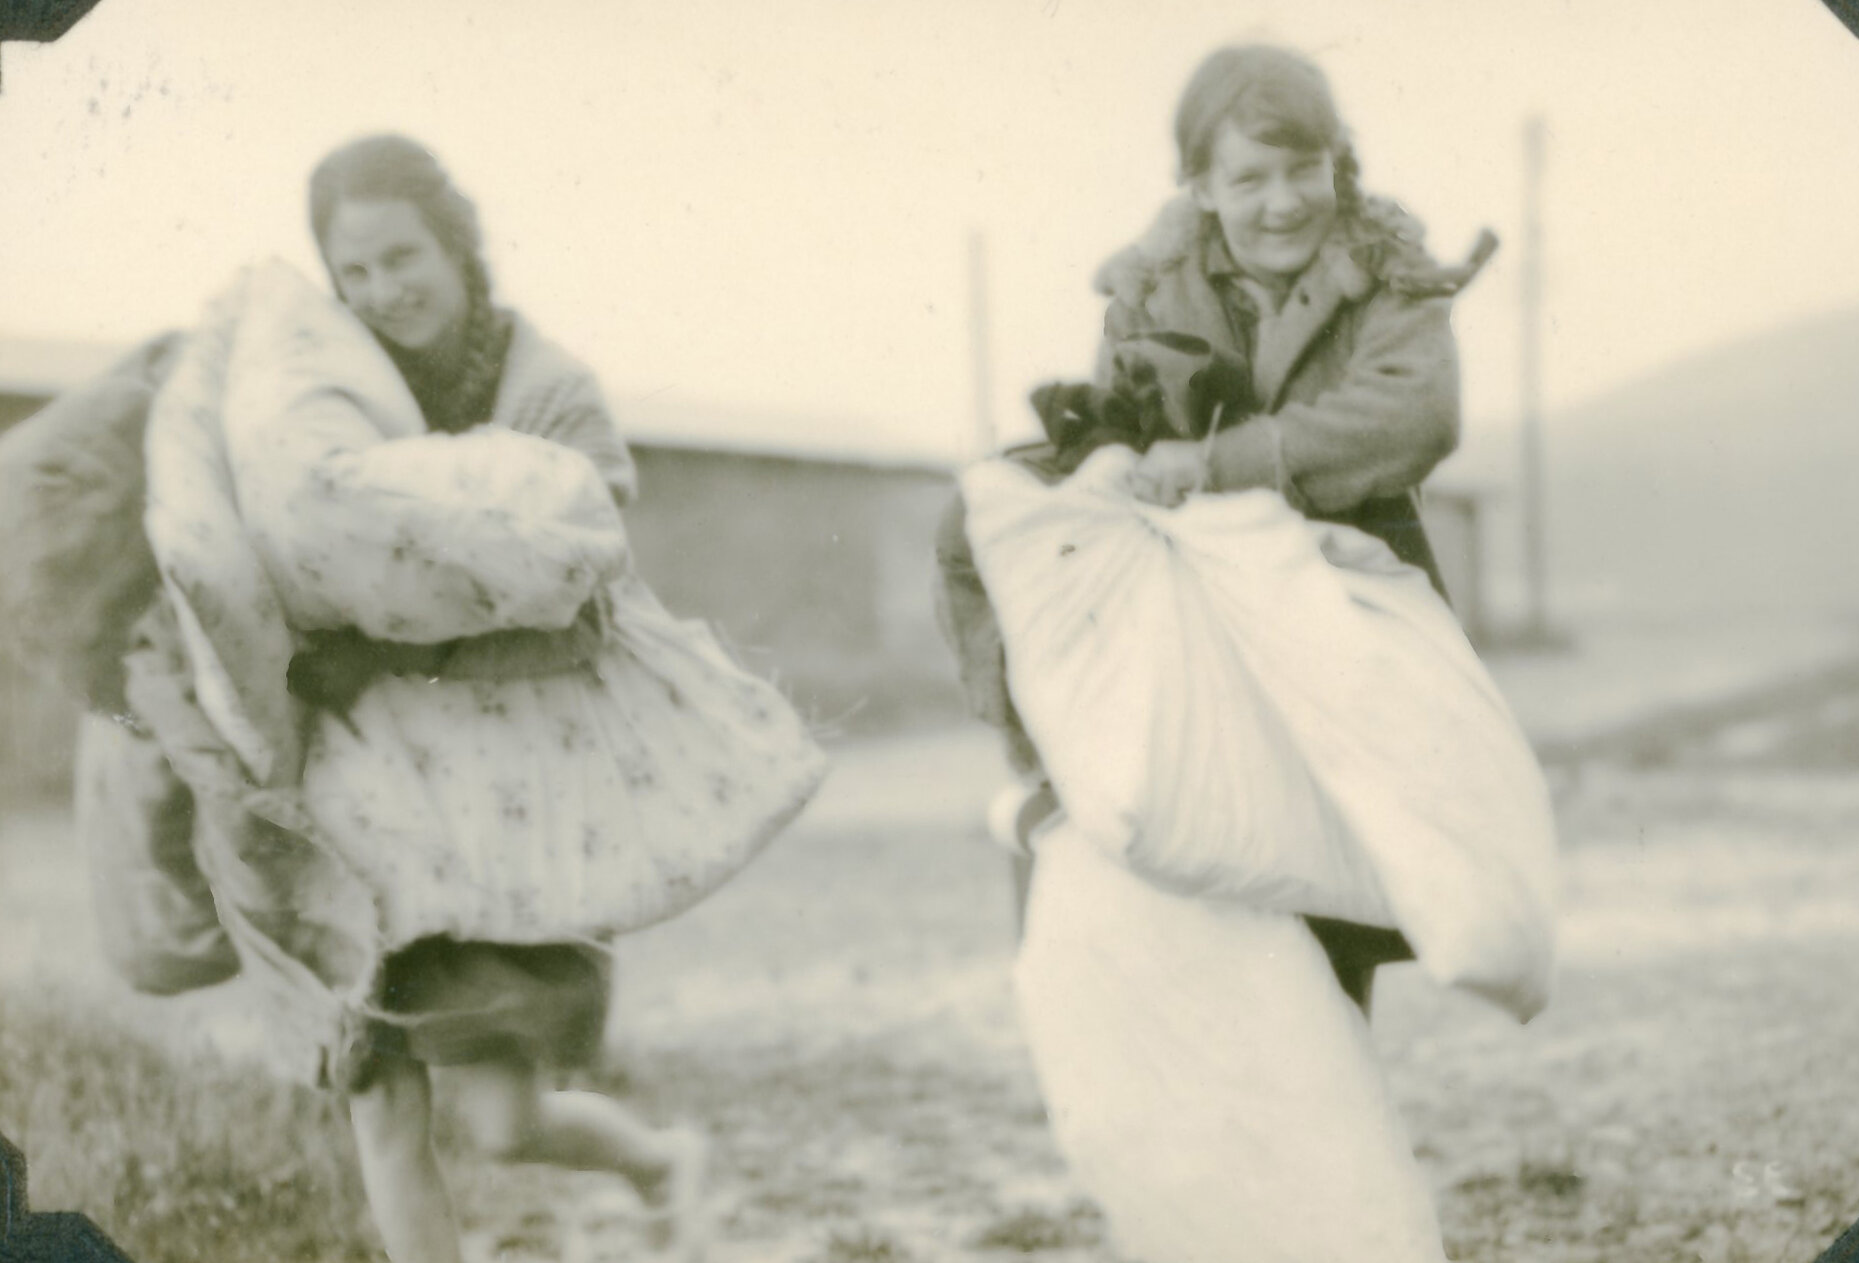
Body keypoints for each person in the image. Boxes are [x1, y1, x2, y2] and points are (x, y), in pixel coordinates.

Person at [117, 135, 828, 1263]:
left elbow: (581, 613)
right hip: (352, 798)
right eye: (353, 274)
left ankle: (657, 1163)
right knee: (381, 1103)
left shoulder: (546, 395)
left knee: (503, 1125)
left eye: (404, 258)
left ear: (459, 249)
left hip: (500, 809)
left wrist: (393, 656)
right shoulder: (323, 394)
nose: (383, 292)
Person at [937, 45, 1536, 1263]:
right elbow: (1119, 416)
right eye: (1251, 177)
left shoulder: (1388, 272)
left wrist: (1225, 460)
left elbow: (1410, 416)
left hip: (1335, 612)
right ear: (1200, 186)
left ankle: (1342, 1215)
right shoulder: (1151, 285)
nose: (1282, 203)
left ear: (1337, 165)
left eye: (1303, 170)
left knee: (1324, 903)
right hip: (1208, 618)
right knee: (1210, 913)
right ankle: (1048, 764)